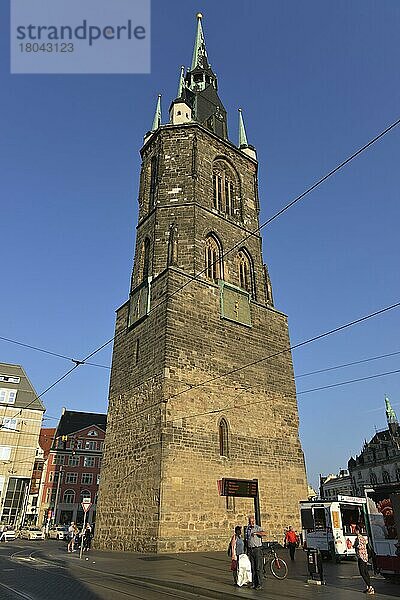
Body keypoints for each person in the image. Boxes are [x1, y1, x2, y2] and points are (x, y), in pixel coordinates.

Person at [246, 515, 267, 591]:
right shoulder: (247, 529)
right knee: (253, 567)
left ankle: (259, 584)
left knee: (258, 568)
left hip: (257, 549)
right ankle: (254, 583)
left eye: (252, 521)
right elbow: (247, 539)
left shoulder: (257, 527)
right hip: (251, 550)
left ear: (254, 521)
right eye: (250, 521)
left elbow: (264, 533)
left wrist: (256, 533)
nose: (251, 523)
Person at [353, 526, 374, 595]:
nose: (354, 531)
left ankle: (370, 587)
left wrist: (354, 546)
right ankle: (368, 587)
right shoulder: (363, 538)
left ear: (357, 531)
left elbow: (357, 546)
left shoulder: (358, 538)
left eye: (355, 530)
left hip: (361, 557)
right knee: (366, 572)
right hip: (365, 556)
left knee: (362, 572)